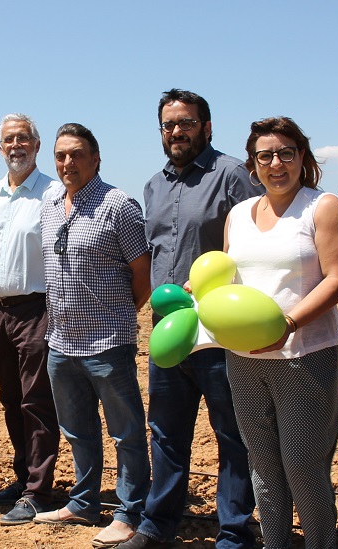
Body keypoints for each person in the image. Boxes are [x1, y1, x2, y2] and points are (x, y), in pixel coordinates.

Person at [121, 89, 259, 549]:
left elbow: (256, 243)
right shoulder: (153, 186)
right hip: (168, 332)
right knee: (165, 433)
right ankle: (159, 526)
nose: (176, 132)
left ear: (207, 126)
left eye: (185, 123)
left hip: (218, 330)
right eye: (168, 125)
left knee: (232, 435)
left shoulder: (233, 175)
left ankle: (235, 532)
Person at [222, 117, 338, 549]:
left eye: (286, 153)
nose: (276, 164)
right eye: (265, 156)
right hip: (243, 359)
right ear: (253, 165)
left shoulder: (321, 206)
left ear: (302, 157)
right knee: (262, 465)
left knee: (303, 467)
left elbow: (335, 278)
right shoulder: (238, 215)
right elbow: (226, 276)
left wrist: (287, 324)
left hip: (304, 356)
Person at [34, 122, 152, 548]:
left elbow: (143, 272)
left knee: (126, 433)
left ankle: (130, 511)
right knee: (78, 430)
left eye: (78, 154)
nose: (68, 162)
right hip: (61, 343)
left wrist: (121, 315)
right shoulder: (49, 205)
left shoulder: (119, 205)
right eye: (61, 155)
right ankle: (83, 502)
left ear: (96, 158)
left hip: (108, 343)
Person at [0, 114, 63, 525]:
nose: (15, 146)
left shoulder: (54, 192)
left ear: (37, 145)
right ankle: (23, 478)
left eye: (23, 138)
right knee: (11, 400)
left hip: (37, 310)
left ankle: (39, 491)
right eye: (8, 140)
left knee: (36, 401)